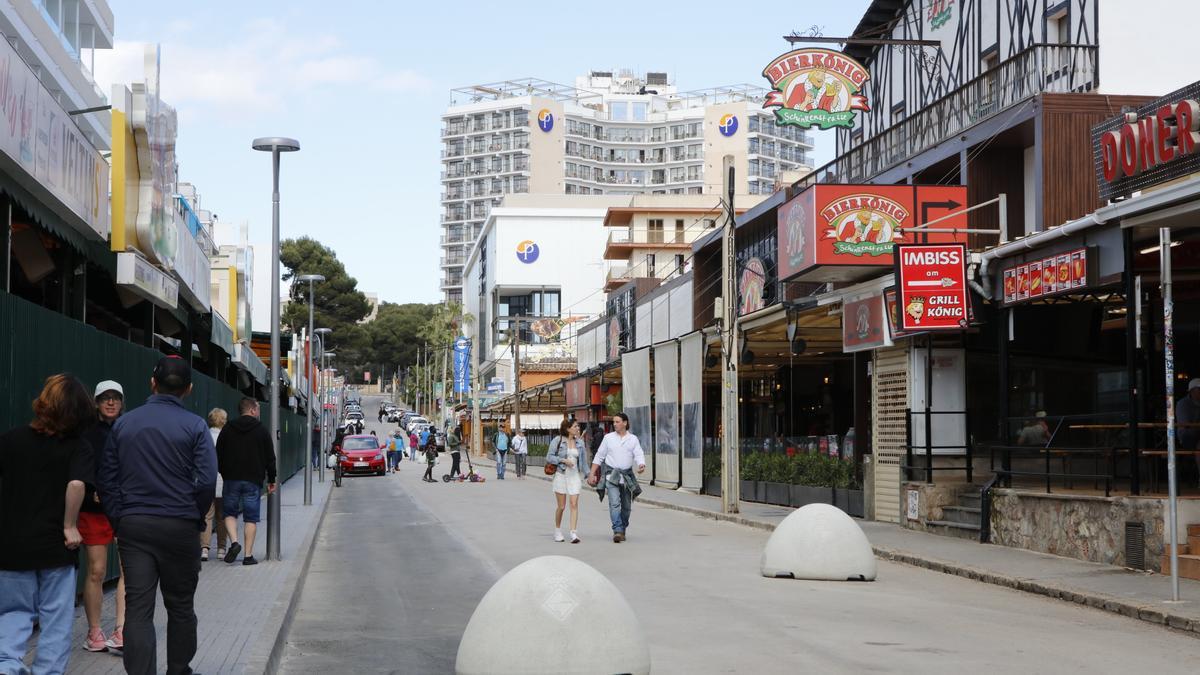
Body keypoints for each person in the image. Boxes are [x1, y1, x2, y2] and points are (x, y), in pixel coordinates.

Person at [97, 357, 216, 675]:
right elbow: (206, 481)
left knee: (138, 609)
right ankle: (178, 669)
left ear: (153, 383)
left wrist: (119, 519)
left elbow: (107, 479)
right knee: (180, 606)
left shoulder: (124, 424)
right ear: (188, 389)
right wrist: (194, 516)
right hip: (180, 526)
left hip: (135, 527)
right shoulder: (195, 426)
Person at [0, 374, 93, 674]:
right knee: (56, 620)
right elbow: (77, 483)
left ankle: (7, 665)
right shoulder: (78, 446)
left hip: (13, 545)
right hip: (56, 547)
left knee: (12, 614)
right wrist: (69, 525)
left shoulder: (11, 439)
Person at [80, 380, 128, 654]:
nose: (111, 402)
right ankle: (94, 631)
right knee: (97, 571)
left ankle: (121, 629)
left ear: (122, 403)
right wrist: (91, 492)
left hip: (123, 510)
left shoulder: (128, 430)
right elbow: (79, 469)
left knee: (127, 571)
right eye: (105, 398)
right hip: (94, 511)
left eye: (116, 398)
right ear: (96, 402)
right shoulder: (86, 433)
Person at [217, 397, 277, 566]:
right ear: (252, 410)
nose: (258, 412)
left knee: (229, 513)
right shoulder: (262, 430)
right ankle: (248, 556)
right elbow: (270, 458)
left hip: (231, 479)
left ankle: (235, 543)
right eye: (257, 409)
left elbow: (218, 454)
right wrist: (271, 479)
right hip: (253, 480)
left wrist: (224, 472)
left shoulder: (228, 429)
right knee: (251, 518)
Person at [587, 412, 646, 543]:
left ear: (625, 423)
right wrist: (592, 473)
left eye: (617, 422)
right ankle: (617, 530)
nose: (615, 424)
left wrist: (641, 464)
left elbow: (638, 453)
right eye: (614, 422)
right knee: (614, 504)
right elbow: (599, 456)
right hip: (611, 477)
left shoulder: (633, 439)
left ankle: (622, 527)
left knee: (626, 507)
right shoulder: (608, 438)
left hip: (626, 478)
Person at [546, 420, 589, 543]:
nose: (578, 428)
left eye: (578, 426)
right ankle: (557, 530)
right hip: (561, 475)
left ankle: (573, 533)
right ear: (568, 428)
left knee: (574, 504)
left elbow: (584, 462)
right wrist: (563, 460)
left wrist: (589, 475)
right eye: (575, 426)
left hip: (574, 476)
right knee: (562, 506)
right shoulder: (557, 440)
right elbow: (549, 457)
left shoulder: (580, 443)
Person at [201, 409, 229, 563]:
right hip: (223, 480)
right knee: (222, 516)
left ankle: (204, 549)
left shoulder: (204, 436)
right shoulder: (227, 437)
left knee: (207, 515)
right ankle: (221, 549)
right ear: (223, 421)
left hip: (207, 480)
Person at [1175, 379, 1200, 485]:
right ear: (1191, 391)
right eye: (1199, 390)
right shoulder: (1183, 404)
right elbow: (1186, 425)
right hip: (1187, 436)